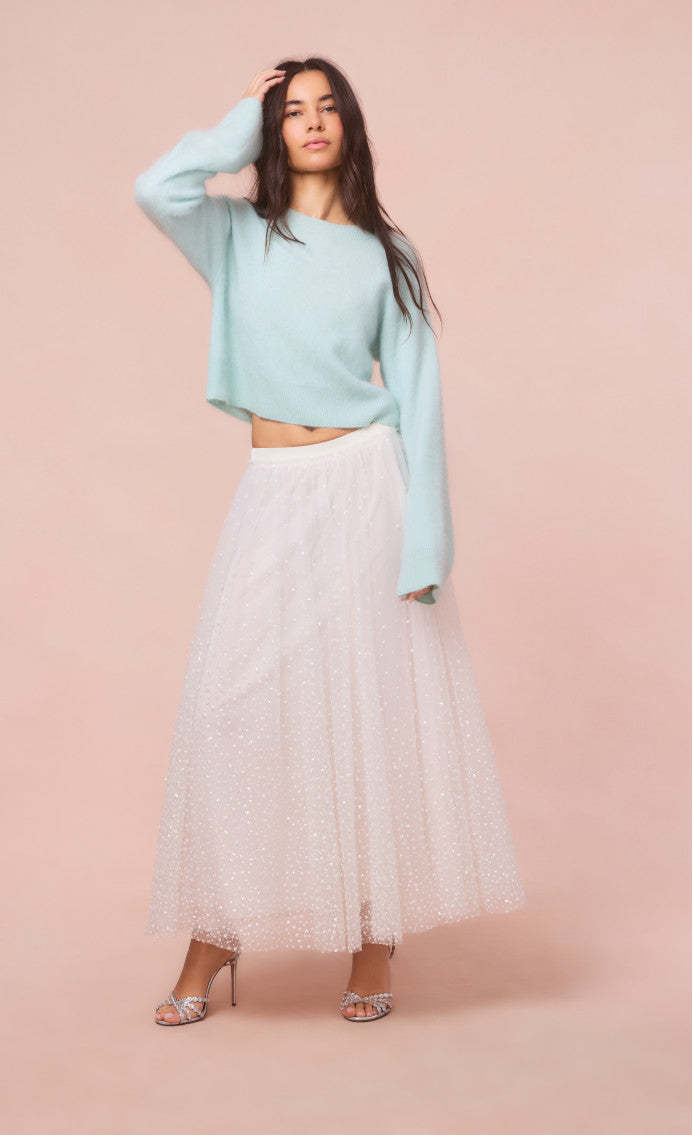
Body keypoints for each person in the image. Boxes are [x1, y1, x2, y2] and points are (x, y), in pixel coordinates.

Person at [134, 57, 526, 1025]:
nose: (310, 122)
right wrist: (241, 115)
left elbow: (419, 396)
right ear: (273, 132)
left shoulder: (388, 254)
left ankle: (373, 942)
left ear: (349, 125)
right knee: (235, 710)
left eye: (326, 108)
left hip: (365, 486)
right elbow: (158, 187)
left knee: (370, 710)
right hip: (276, 488)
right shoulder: (237, 233)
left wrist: (427, 542)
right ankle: (218, 934)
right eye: (292, 111)